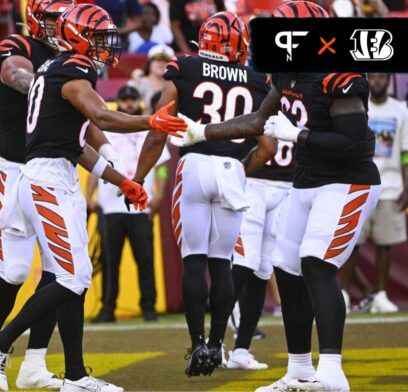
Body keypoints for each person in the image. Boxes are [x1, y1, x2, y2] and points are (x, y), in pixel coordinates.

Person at [0, 4, 185, 392]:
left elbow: (77, 141)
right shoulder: (73, 67)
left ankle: (74, 375)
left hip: (56, 175)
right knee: (70, 276)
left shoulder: (56, 68)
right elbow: (100, 117)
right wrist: (147, 120)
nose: (106, 45)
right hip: (46, 181)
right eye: (99, 37)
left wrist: (122, 180)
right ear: (79, 36)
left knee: (74, 276)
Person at [174, 3, 380, 390]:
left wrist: (296, 135)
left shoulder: (339, 73)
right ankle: (300, 370)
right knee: (286, 269)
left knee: (317, 264)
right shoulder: (286, 71)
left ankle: (332, 373)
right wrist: (203, 133)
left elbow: (354, 144)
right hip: (306, 182)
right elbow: (256, 120)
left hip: (347, 182)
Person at [135, 11, 276, 377]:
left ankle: (197, 343)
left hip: (195, 166)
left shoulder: (185, 66)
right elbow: (269, 147)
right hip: (231, 169)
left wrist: (138, 177)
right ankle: (217, 344)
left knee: (194, 260)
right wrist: (239, 171)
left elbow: (159, 128)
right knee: (221, 262)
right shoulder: (256, 78)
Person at [0, 0, 76, 389]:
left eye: (61, 17)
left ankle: (35, 364)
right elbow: (13, 72)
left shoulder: (73, 57)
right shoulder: (20, 44)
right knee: (13, 270)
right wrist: (45, 87)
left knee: (56, 272)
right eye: (50, 17)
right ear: (34, 18)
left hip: (55, 171)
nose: (57, 24)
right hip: (16, 169)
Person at [87, 85, 170, 324]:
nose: (129, 102)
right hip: (110, 205)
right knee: (109, 260)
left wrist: (159, 195)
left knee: (145, 259)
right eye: (125, 99)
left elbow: (162, 167)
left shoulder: (146, 131)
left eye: (133, 98)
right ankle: (107, 308)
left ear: (138, 103)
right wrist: (89, 196)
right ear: (119, 103)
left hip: (140, 205)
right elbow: (94, 167)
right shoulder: (106, 133)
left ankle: (149, 307)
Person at [340, 73, 408, 314]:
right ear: (368, 81)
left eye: (382, 77)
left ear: (389, 80)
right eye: (374, 77)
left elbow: (405, 153)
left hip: (390, 186)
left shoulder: (400, 110)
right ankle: (344, 295)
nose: (378, 81)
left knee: (385, 245)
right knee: (351, 244)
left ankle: (380, 295)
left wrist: (407, 188)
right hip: (359, 184)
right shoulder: (356, 106)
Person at [228, 140, 296, 370]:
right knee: (245, 262)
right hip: (253, 184)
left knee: (264, 269)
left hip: (288, 186)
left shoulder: (311, 103)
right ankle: (213, 342)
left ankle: (241, 350)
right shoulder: (261, 103)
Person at [130, 44, 175, 114]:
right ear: (149, 62)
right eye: (158, 58)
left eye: (166, 60)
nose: (162, 63)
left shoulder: (175, 85)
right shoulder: (137, 82)